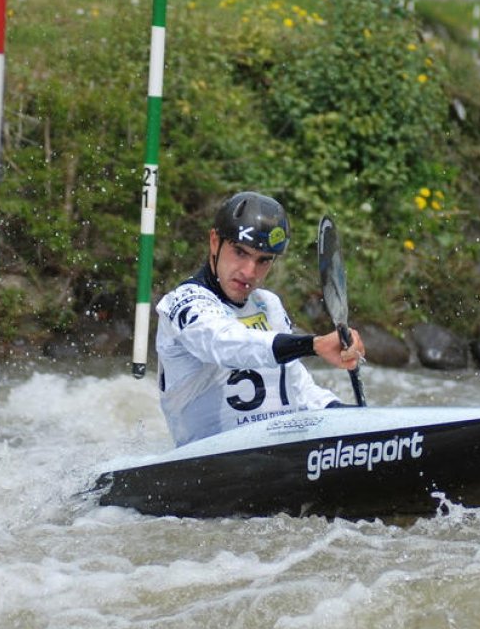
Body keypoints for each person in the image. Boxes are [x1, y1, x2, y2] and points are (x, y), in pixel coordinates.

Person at [155, 191, 366, 447]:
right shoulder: (182, 303)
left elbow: (299, 391)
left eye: (263, 260)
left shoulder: (268, 304)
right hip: (208, 459)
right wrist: (312, 344)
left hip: (278, 449)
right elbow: (226, 344)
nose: (249, 272)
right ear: (214, 242)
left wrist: (354, 419)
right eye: (240, 253)